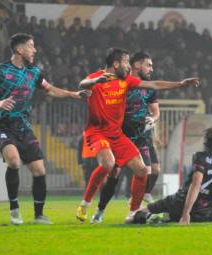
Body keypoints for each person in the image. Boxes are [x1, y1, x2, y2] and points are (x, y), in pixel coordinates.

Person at [75, 47, 200, 223]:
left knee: (142, 170)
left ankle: (133, 212)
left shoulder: (126, 80)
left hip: (118, 134)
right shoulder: (96, 78)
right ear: (116, 63)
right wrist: (95, 81)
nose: (128, 65)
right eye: (126, 62)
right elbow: (82, 85)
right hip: (97, 131)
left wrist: (180, 83)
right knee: (109, 166)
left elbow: (154, 84)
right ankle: (85, 203)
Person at [0, 33, 89, 225]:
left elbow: (51, 89)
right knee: (13, 161)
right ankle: (14, 210)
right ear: (19, 49)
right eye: (31, 46)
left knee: (39, 170)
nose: (35, 50)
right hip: (2, 125)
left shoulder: (34, 73)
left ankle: (39, 215)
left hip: (24, 126)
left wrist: (73, 94)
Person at [130, 127, 212, 224]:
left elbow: (196, 185)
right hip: (202, 214)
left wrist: (186, 214)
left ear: (206, 144)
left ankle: (154, 216)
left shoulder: (200, 157)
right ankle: (166, 217)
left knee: (136, 215)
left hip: (177, 204)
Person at [89, 52, 160, 223]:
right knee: (114, 173)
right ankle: (100, 210)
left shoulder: (148, 87)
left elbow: (156, 110)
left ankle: (134, 208)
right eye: (148, 65)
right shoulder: (122, 82)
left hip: (142, 134)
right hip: (121, 133)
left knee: (150, 170)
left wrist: (153, 118)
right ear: (136, 65)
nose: (151, 69)